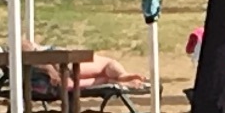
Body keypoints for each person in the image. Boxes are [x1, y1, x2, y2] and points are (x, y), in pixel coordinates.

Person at [20, 38, 149, 91]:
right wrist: (50, 70)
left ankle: (116, 79)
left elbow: (26, 48)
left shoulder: (16, 45)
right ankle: (118, 78)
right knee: (106, 65)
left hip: (57, 62)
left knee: (105, 69)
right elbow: (25, 48)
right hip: (57, 61)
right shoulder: (18, 44)